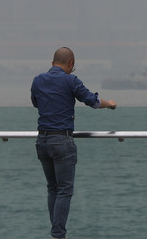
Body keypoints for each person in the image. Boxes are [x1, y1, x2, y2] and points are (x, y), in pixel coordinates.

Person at [30, 47, 117, 239]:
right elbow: (92, 101)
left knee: (52, 188)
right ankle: (58, 234)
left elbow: (37, 103)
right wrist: (109, 103)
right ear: (70, 64)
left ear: (53, 62)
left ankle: (55, 233)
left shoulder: (38, 80)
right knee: (64, 191)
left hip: (42, 140)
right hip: (61, 140)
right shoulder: (70, 80)